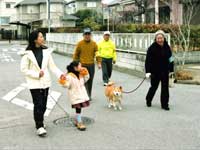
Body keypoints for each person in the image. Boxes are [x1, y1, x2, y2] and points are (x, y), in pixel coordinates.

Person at [20, 30, 65, 137]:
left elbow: (52, 67)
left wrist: (60, 75)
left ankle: (40, 120)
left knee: (44, 105)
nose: (43, 38)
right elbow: (24, 69)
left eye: (42, 36)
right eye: (40, 37)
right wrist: (36, 74)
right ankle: (39, 126)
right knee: (38, 104)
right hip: (34, 83)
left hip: (45, 82)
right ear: (35, 39)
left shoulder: (46, 51)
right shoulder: (27, 53)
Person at [145, 30, 174, 111]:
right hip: (155, 72)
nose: (160, 40)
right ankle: (148, 99)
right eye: (158, 38)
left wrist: (171, 69)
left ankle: (165, 104)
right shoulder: (152, 48)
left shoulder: (167, 47)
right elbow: (148, 61)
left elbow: (171, 58)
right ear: (155, 39)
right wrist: (147, 72)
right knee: (154, 87)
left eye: (161, 38)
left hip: (165, 71)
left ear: (164, 38)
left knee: (165, 88)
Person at [59, 61, 90, 131]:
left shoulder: (81, 74)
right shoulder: (69, 76)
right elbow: (66, 85)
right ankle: (79, 122)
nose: (81, 67)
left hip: (82, 94)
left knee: (80, 108)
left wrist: (86, 73)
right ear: (75, 67)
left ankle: (78, 120)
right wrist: (62, 80)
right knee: (78, 109)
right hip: (75, 95)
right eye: (80, 66)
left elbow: (86, 79)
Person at [73, 28, 101, 100]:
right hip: (82, 65)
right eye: (86, 34)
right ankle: (84, 95)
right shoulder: (80, 44)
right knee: (83, 80)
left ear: (91, 35)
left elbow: (97, 54)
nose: (87, 36)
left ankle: (89, 95)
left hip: (91, 65)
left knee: (90, 81)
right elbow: (76, 55)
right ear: (83, 35)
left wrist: (99, 63)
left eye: (88, 34)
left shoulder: (94, 44)